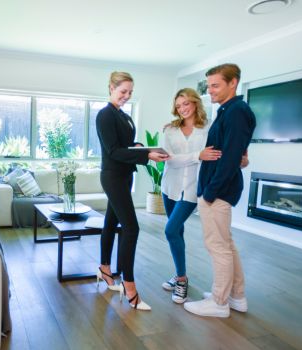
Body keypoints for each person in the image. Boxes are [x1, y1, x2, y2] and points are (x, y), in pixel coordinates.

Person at [183, 63, 256, 318]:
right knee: (226, 244)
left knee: (218, 246)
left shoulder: (236, 112)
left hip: (218, 190)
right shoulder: (230, 111)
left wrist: (210, 192)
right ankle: (236, 296)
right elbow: (233, 153)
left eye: (215, 85)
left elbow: (230, 158)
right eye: (209, 85)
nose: (210, 90)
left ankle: (219, 302)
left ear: (233, 82)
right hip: (219, 188)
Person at [96, 71, 169, 311]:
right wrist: (145, 154)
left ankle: (105, 270)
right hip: (113, 176)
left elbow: (125, 146)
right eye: (122, 91)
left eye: (130, 92)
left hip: (125, 176)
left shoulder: (123, 116)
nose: (126, 96)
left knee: (110, 222)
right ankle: (129, 286)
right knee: (132, 227)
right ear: (111, 88)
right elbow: (114, 151)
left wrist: (138, 147)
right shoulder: (105, 115)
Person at [160, 88, 221, 304]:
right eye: (178, 106)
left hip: (193, 188)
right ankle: (178, 273)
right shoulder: (170, 130)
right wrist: (198, 155)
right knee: (178, 231)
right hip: (170, 186)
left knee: (170, 230)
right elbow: (169, 159)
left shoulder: (209, 128)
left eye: (186, 103)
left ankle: (182, 280)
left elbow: (214, 155)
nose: (182, 109)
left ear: (195, 103)